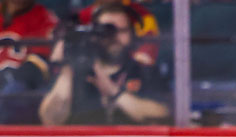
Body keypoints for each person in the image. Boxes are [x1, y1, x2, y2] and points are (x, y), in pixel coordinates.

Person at [38, 2, 169, 126]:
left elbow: (162, 115)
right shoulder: (76, 71)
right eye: (106, 31)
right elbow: (50, 120)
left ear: (132, 34)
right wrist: (67, 69)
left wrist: (113, 91)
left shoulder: (144, 70)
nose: (114, 37)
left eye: (122, 31)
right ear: (94, 33)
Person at [0, 0, 58, 123]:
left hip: (22, 88)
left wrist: (13, 82)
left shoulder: (44, 17)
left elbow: (39, 61)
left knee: (14, 92)